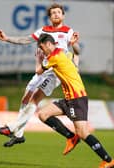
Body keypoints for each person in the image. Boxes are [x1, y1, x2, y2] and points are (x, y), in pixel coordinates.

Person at [0, 3, 80, 154]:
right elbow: (26, 40)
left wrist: (73, 45)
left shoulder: (68, 31)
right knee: (26, 98)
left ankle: (12, 128)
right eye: (53, 13)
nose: (56, 15)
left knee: (35, 99)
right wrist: (6, 38)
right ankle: (19, 135)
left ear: (63, 15)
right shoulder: (44, 31)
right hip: (43, 69)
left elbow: (77, 51)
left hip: (56, 72)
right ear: (49, 16)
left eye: (59, 12)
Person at [36, 33, 114, 168]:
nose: (42, 51)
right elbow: (77, 53)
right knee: (43, 114)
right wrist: (73, 44)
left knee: (83, 133)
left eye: (42, 48)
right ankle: (70, 137)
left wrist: (39, 59)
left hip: (76, 98)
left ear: (48, 44)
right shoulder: (62, 53)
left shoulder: (54, 57)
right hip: (69, 98)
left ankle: (108, 160)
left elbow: (38, 71)